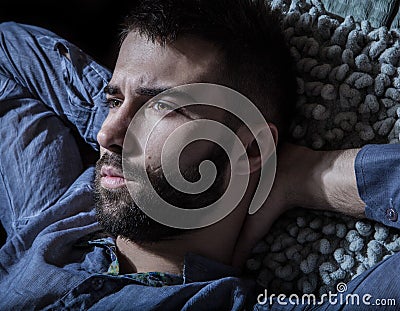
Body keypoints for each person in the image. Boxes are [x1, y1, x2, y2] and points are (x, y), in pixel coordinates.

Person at [0, 1, 399, 311]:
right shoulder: (53, 224)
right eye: (113, 100)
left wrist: (313, 175)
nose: (106, 134)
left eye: (163, 107)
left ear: (250, 147)